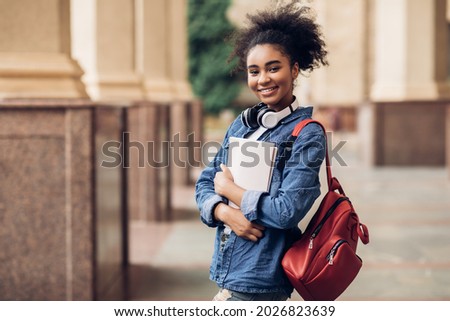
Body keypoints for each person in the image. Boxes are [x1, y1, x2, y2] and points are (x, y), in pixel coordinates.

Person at [195, 1, 328, 301]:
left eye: (273, 68)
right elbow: (205, 182)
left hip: (263, 281)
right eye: (254, 71)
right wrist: (224, 211)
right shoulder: (241, 125)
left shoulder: (307, 135)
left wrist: (232, 190)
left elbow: (287, 211)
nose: (263, 79)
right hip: (226, 273)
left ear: (294, 69)